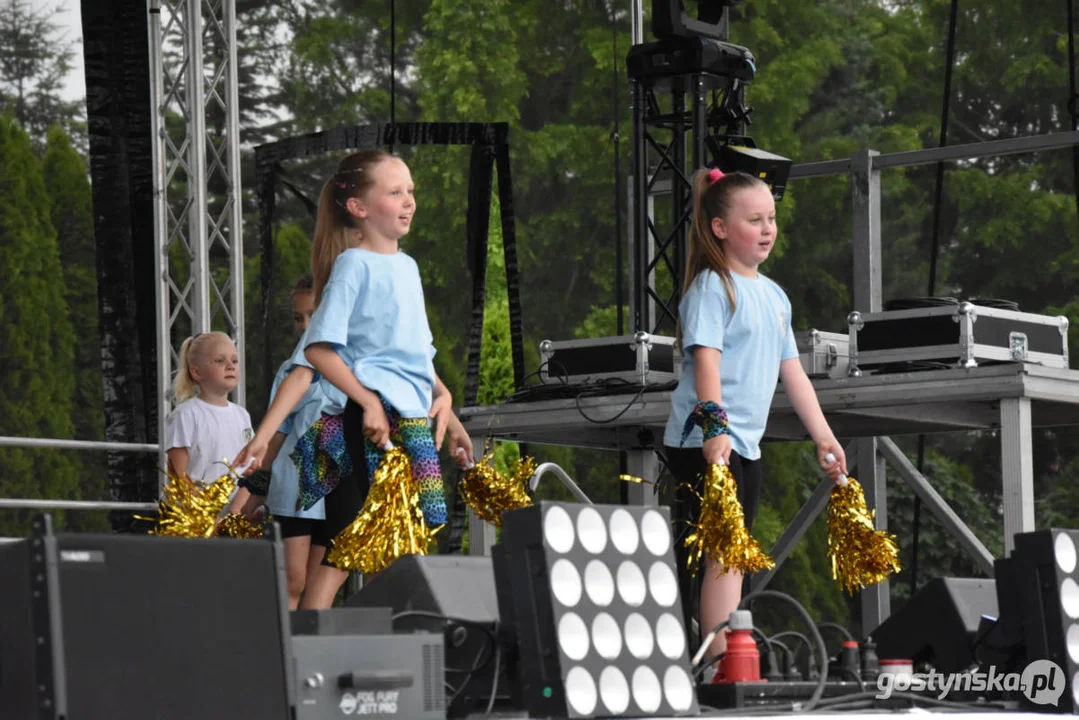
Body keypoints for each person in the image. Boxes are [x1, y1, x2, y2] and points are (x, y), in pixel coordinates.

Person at [663, 168, 847, 660]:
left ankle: (727, 654)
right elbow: (707, 360)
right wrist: (715, 427)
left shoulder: (774, 295)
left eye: (772, 218)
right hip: (703, 442)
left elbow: (794, 373)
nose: (768, 229)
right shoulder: (712, 287)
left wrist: (823, 436)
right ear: (721, 228)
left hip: (744, 442)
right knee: (723, 552)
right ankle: (721, 660)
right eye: (754, 219)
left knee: (735, 552)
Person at [302, 149, 474, 550]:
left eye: (410, 190)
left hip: (415, 417)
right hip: (376, 416)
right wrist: (369, 403)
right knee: (384, 534)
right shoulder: (353, 265)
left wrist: (448, 405)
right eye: (395, 191)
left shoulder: (409, 267)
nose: (409, 201)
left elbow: (412, 353)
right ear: (358, 207)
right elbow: (319, 349)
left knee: (423, 526)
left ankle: (400, 611)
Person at [233, 273, 347, 609]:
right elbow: (276, 434)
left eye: (313, 315)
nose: (304, 325)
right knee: (292, 579)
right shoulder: (289, 372)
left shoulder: (359, 365)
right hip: (294, 488)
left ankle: (308, 657)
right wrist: (250, 495)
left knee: (319, 587)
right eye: (298, 318)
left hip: (340, 488)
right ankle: (280, 654)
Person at [165, 332, 254, 494]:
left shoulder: (242, 415)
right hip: (196, 513)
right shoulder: (185, 414)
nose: (230, 366)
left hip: (234, 514)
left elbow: (249, 469)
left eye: (234, 360)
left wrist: (237, 510)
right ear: (196, 372)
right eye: (220, 361)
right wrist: (205, 511)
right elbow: (177, 475)